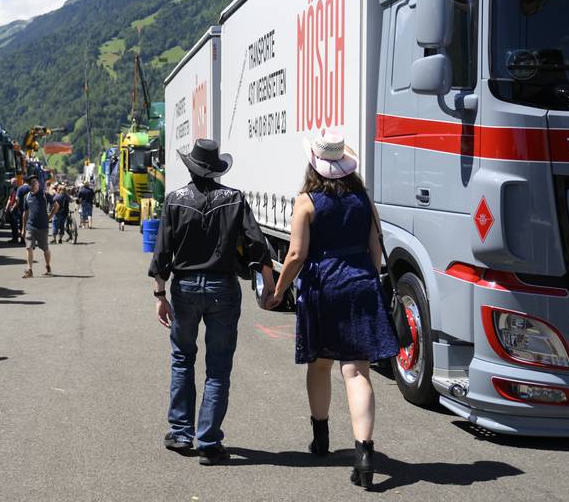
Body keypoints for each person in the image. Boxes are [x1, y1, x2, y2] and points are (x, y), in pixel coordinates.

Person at [267, 129, 399, 490]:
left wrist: (279, 290)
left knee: (321, 363)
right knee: (357, 372)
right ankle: (365, 453)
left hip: (323, 286)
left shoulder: (306, 202)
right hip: (361, 285)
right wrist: (367, 279)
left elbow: (296, 255)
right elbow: (375, 248)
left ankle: (321, 439)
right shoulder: (363, 200)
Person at [148, 139, 274, 466]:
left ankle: (179, 432)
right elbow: (257, 245)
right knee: (217, 368)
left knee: (182, 358)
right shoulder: (233, 198)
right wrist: (268, 282)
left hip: (185, 287)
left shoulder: (175, 200)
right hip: (222, 287)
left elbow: (161, 253)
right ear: (216, 170)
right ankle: (208, 440)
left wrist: (160, 295)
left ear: (191, 167)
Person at [22, 175, 59, 278]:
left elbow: (56, 206)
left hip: (43, 226)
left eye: (35, 182)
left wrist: (50, 217)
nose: (33, 184)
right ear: (29, 185)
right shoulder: (27, 197)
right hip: (30, 226)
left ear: (38, 183)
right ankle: (29, 270)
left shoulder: (45, 195)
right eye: (31, 183)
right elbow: (25, 213)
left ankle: (48, 266)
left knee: (45, 248)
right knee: (29, 247)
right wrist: (23, 228)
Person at [14, 178, 31, 245]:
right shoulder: (31, 188)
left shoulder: (20, 188)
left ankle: (23, 239)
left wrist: (16, 206)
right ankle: (30, 239)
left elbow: (17, 199)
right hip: (31, 209)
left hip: (22, 209)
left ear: (23, 181)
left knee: (22, 224)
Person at [7, 178, 22, 244]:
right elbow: (9, 199)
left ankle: (21, 239)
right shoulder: (11, 189)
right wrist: (6, 208)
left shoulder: (19, 189)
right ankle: (14, 238)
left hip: (17, 209)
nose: (13, 183)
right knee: (13, 225)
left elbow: (17, 200)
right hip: (12, 209)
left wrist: (13, 207)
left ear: (17, 182)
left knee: (18, 225)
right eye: (12, 182)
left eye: (14, 182)